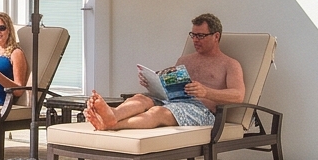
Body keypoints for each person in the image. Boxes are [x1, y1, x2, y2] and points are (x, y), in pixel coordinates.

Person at [85, 13, 244, 132]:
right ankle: (113, 114)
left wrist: (206, 92)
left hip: (202, 112)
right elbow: (172, 90)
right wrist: (154, 83)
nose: (195, 40)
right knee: (141, 98)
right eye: (193, 35)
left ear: (216, 36)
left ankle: (112, 125)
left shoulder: (229, 64)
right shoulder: (184, 60)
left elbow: (238, 95)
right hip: (174, 103)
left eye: (201, 36)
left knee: (157, 112)